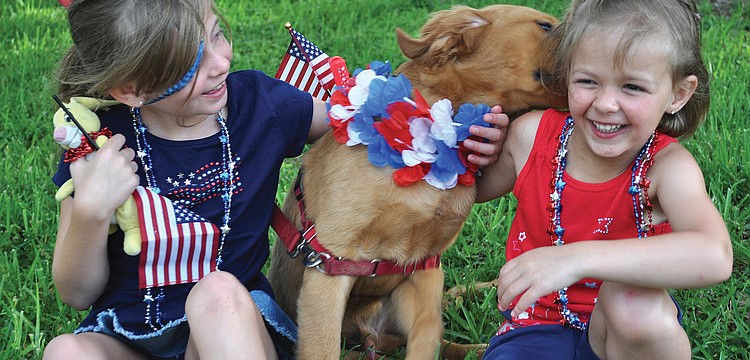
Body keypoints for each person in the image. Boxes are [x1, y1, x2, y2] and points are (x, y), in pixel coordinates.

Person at [43, 1, 509, 359]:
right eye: (188, 63)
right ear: (130, 89)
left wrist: (461, 138)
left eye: (217, 34)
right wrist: (90, 212)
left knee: (217, 291)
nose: (220, 62)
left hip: (234, 324)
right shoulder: (98, 145)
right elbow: (76, 292)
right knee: (65, 351)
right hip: (133, 332)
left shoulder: (259, 106)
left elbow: (368, 125)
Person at [475, 0, 733, 359]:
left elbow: (714, 256)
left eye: (632, 87)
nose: (606, 104)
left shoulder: (666, 166)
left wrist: (575, 259)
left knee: (634, 307)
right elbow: (469, 192)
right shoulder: (531, 137)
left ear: (678, 94)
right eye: (588, 81)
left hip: (625, 335)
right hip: (535, 327)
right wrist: (475, 156)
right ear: (567, 75)